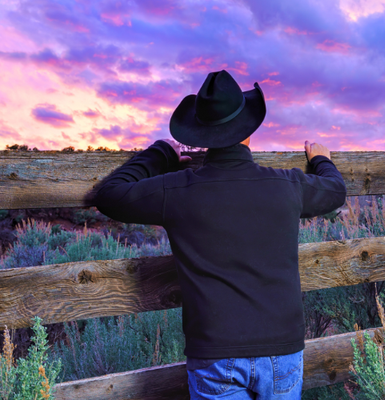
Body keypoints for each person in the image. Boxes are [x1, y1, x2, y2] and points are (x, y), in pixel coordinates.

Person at [93, 70, 346, 399]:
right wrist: (323, 160)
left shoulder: (179, 190)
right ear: (249, 132)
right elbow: (334, 191)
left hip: (215, 351)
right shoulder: (287, 185)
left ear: (200, 135)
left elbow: (110, 196)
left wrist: (160, 155)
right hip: (282, 346)